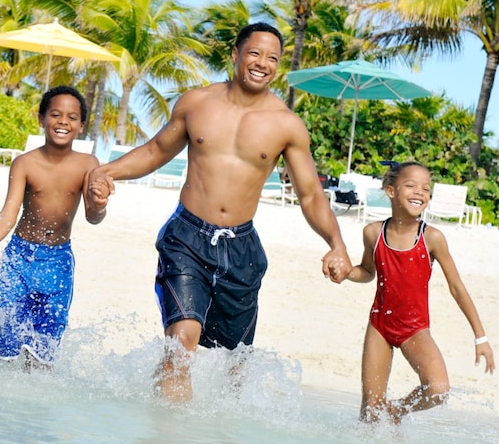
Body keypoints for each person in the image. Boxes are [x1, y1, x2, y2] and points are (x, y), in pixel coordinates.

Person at [85, 22, 351, 402]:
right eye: (255, 53)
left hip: (241, 248)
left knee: (236, 363)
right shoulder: (197, 103)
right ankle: (168, 430)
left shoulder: (286, 124)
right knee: (181, 344)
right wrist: (107, 172)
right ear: (236, 55)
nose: (263, 63)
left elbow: (310, 193)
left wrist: (335, 242)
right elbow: (155, 151)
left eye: (272, 58)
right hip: (187, 238)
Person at [0, 86, 105, 368]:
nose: (63, 122)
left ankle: (30, 409)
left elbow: (93, 217)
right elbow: (8, 215)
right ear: (41, 119)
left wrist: (99, 204)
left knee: (44, 350)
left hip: (58, 261)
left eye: (72, 117)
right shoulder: (25, 163)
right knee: (5, 340)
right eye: (55, 114)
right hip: (19, 258)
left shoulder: (88, 164)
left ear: (82, 126)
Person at [347, 161, 495, 423]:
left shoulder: (432, 238)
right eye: (411, 185)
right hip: (380, 325)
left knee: (438, 389)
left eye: (426, 188)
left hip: (415, 329)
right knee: (370, 409)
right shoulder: (373, 233)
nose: (420, 192)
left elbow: (456, 286)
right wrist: (346, 273)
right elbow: (367, 272)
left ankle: (397, 412)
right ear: (391, 191)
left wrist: (480, 337)